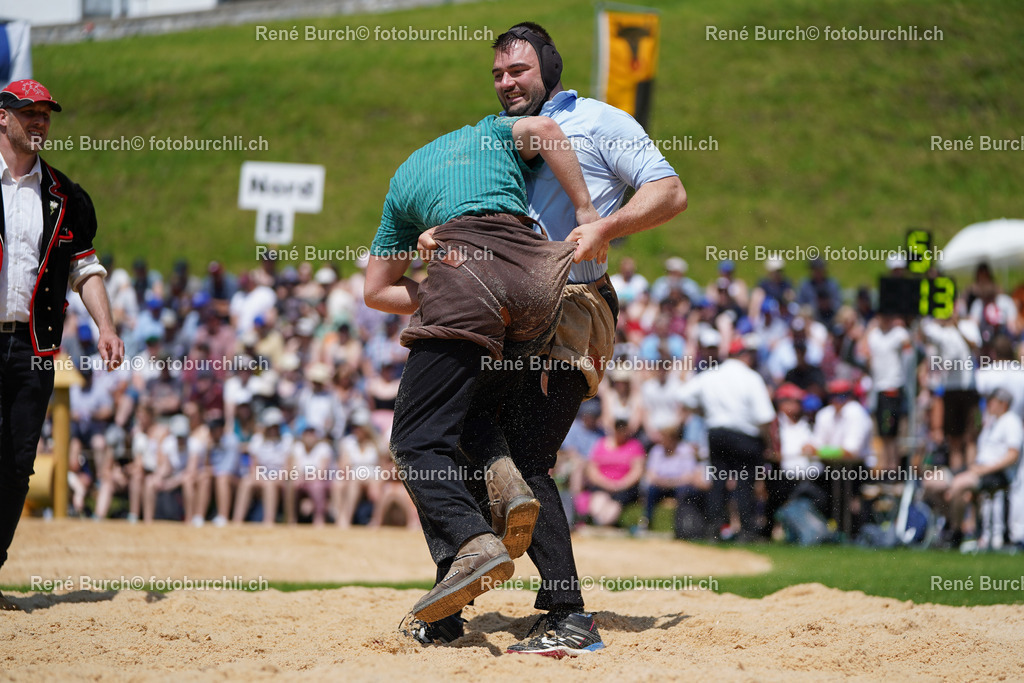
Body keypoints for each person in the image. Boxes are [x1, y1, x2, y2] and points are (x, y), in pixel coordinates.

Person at [413, 22, 686, 654]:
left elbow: (670, 192)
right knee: (458, 447)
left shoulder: (600, 121)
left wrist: (602, 227)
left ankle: (569, 615)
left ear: (549, 69)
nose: (508, 84)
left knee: (524, 459)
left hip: (570, 308)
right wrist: (439, 236)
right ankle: (449, 608)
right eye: (499, 74)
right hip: (500, 316)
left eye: (520, 71)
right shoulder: (498, 137)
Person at [363, 85, 600, 626]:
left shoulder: (404, 183)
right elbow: (545, 130)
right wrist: (586, 210)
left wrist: (446, 290)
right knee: (476, 424)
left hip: (470, 271)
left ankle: (472, 542)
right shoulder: (489, 131)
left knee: (416, 442)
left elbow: (377, 292)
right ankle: (506, 482)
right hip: (540, 279)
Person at [0, 79, 124, 611]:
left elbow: (85, 268)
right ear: (2, 117)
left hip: (33, 349)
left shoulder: (67, 196)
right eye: (29, 113)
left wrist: (108, 326)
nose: (39, 123)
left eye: (46, 114)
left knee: (17, 465)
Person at [679, 338, 776, 541]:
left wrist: (704, 412)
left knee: (718, 482)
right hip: (745, 437)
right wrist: (769, 444)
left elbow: (684, 395)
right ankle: (746, 531)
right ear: (745, 354)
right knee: (744, 484)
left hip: (717, 434)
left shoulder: (712, 375)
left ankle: (713, 529)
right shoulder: (751, 377)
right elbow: (764, 417)